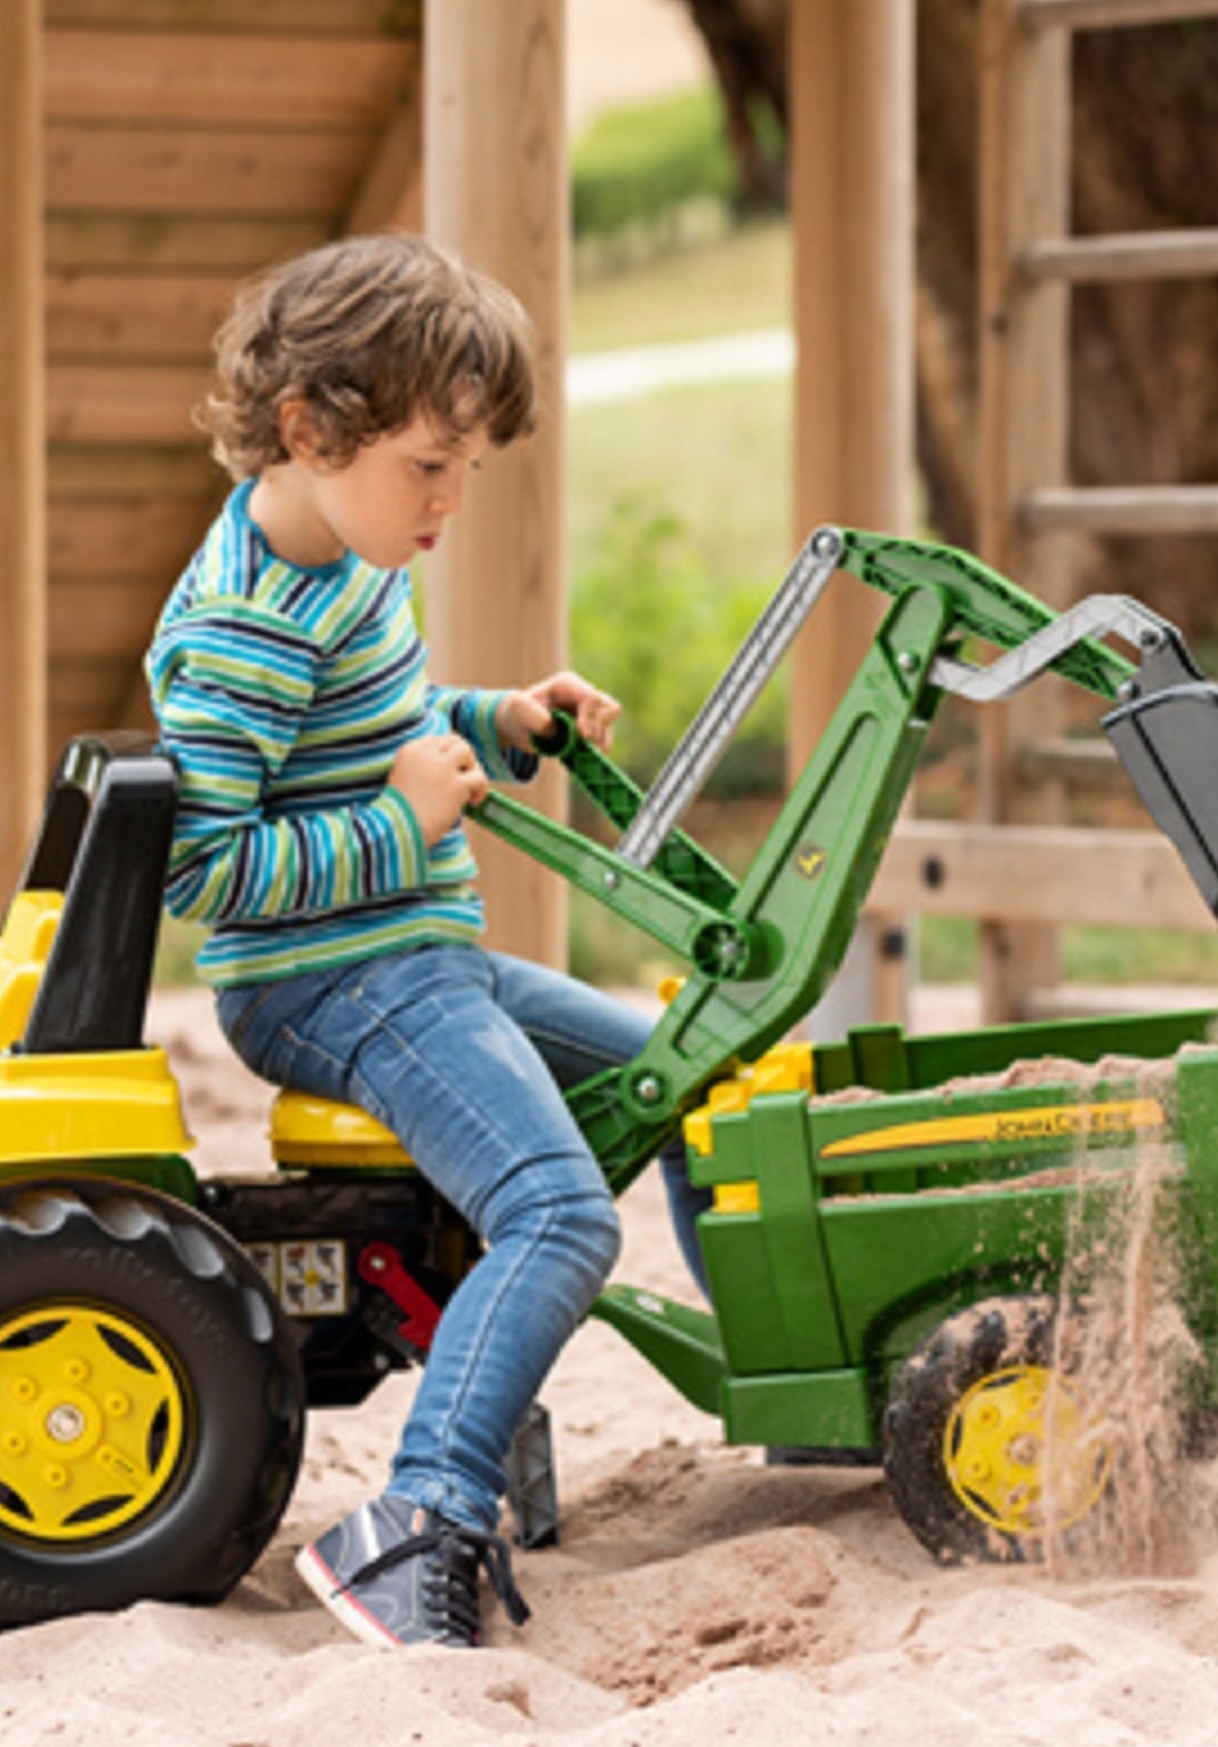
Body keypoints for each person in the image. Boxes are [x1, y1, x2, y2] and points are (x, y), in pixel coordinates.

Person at [145, 233, 709, 1651]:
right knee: (561, 1212)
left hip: (415, 960)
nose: (453, 500)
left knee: (693, 1072)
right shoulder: (241, 628)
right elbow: (205, 872)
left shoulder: (345, 551)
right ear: (308, 427)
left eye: (468, 467)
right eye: (430, 465)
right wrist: (402, 831)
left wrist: (488, 725)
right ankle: (419, 1520)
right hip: (327, 983)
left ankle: (782, 1392)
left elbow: (370, 738)